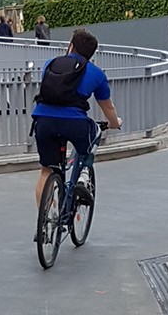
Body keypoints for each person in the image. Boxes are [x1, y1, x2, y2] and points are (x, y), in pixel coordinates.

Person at [30, 29, 121, 209]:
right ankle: (84, 175)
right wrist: (114, 123)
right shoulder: (96, 73)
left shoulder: (50, 64)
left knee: (47, 170)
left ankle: (46, 223)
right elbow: (107, 107)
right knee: (94, 131)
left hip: (43, 121)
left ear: (70, 46)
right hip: (74, 123)